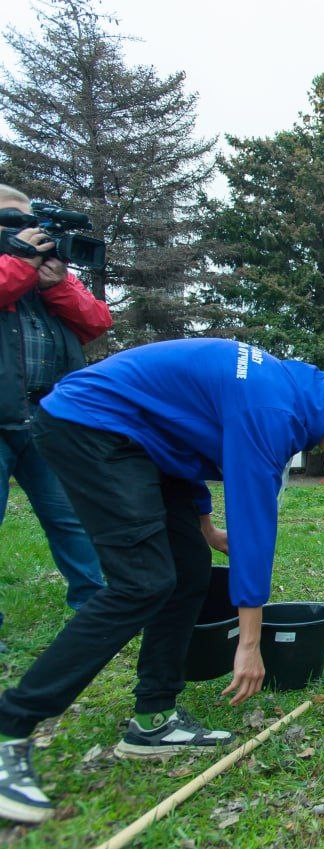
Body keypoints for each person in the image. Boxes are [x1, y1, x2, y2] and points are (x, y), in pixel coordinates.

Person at [0, 338, 324, 824]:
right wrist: (249, 643)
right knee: (141, 583)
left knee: (187, 570)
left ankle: (153, 718)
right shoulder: (275, 409)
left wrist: (204, 527)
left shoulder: (294, 390)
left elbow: (186, 436)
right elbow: (254, 528)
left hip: (143, 441)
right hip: (92, 425)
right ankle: (11, 726)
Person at [0, 184, 110, 648]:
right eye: (13, 221)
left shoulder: (46, 280)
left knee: (71, 516)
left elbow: (97, 320)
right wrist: (19, 265)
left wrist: (56, 282)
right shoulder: (12, 271)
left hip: (46, 417)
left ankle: (95, 607)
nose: (28, 231)